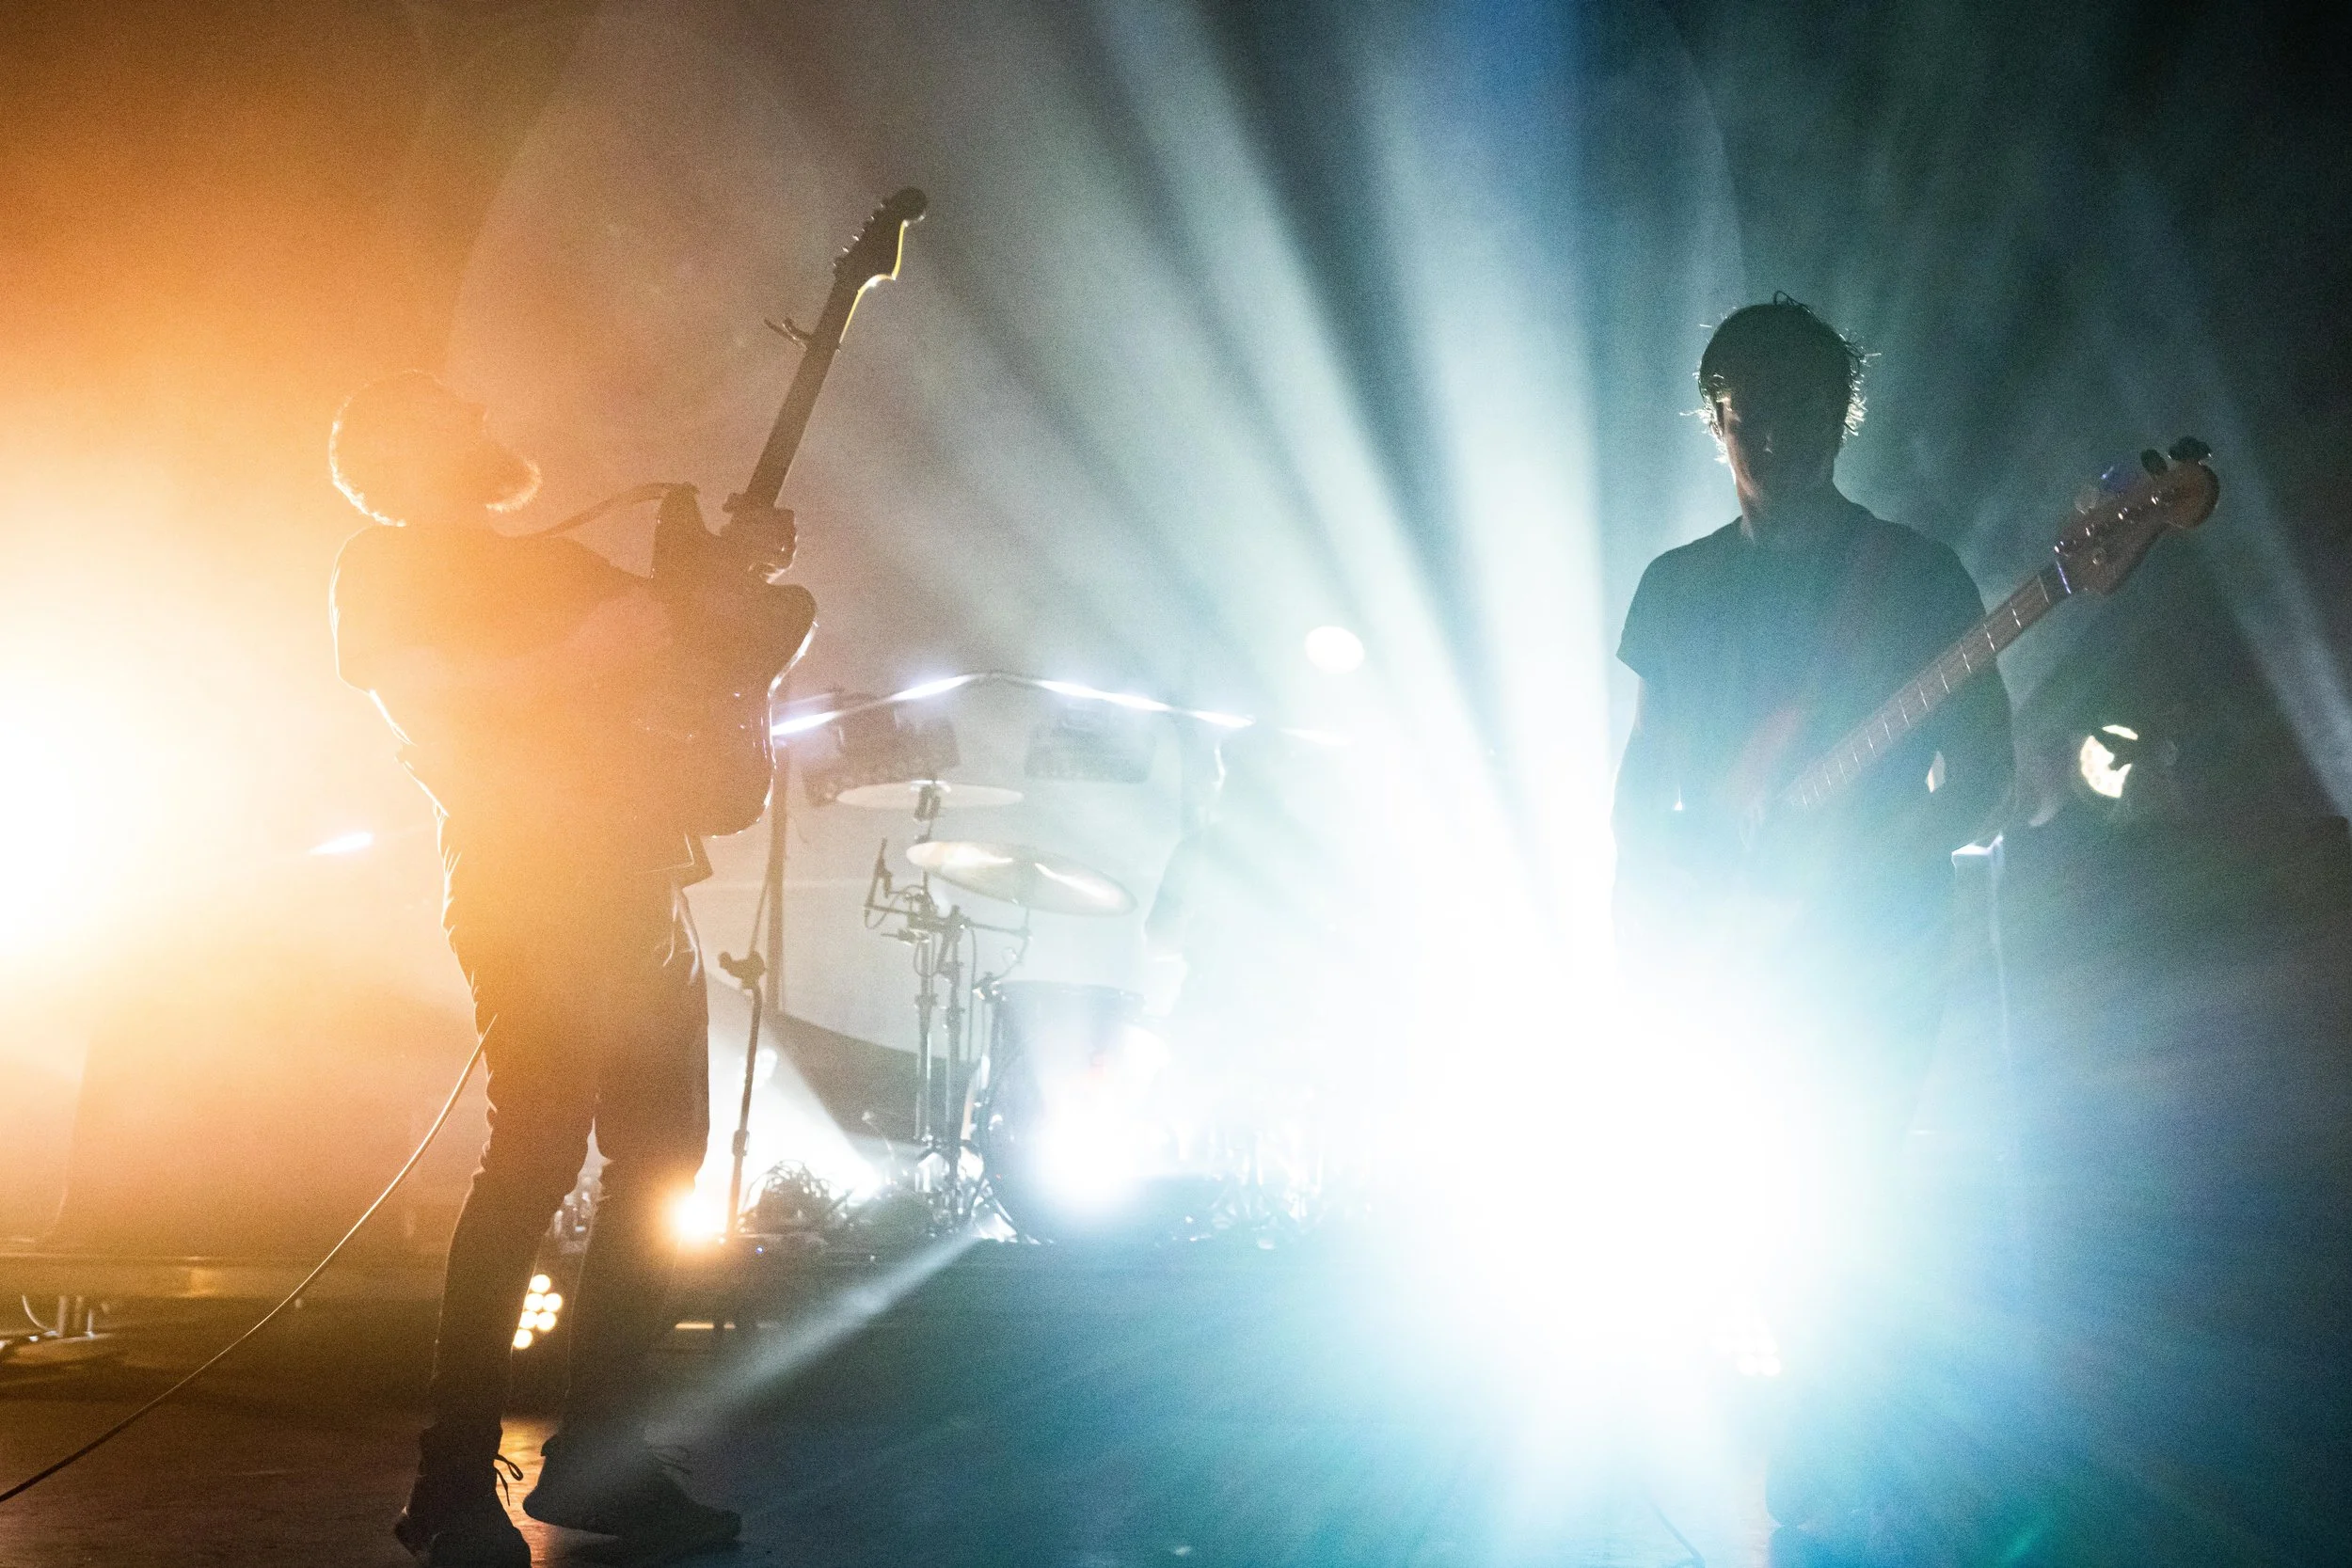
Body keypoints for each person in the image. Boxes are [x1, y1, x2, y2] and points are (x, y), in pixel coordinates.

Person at [328, 372, 765, 1567]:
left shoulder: (555, 566)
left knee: (661, 1163)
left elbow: (702, 635)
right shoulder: (384, 566)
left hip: (637, 891)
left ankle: (598, 1458)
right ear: (400, 457)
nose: (481, 417)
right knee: (532, 1159)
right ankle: (452, 1477)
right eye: (452, 416)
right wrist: (589, 646)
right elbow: (435, 695)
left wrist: (735, 573)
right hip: (530, 891)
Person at [1610, 299, 2013, 1549]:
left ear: (1841, 413)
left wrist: (1862, 851)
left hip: (1871, 952)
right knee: (1735, 1197)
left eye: (1792, 407)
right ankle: (1782, 1436)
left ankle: (1843, 1464)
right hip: (1721, 954)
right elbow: (1644, 783)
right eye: (1744, 411)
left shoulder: (1915, 576)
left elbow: (1986, 773)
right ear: (1714, 416)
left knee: (1849, 1191)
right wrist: (1669, 908)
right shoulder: (1676, 588)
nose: (1768, 434)